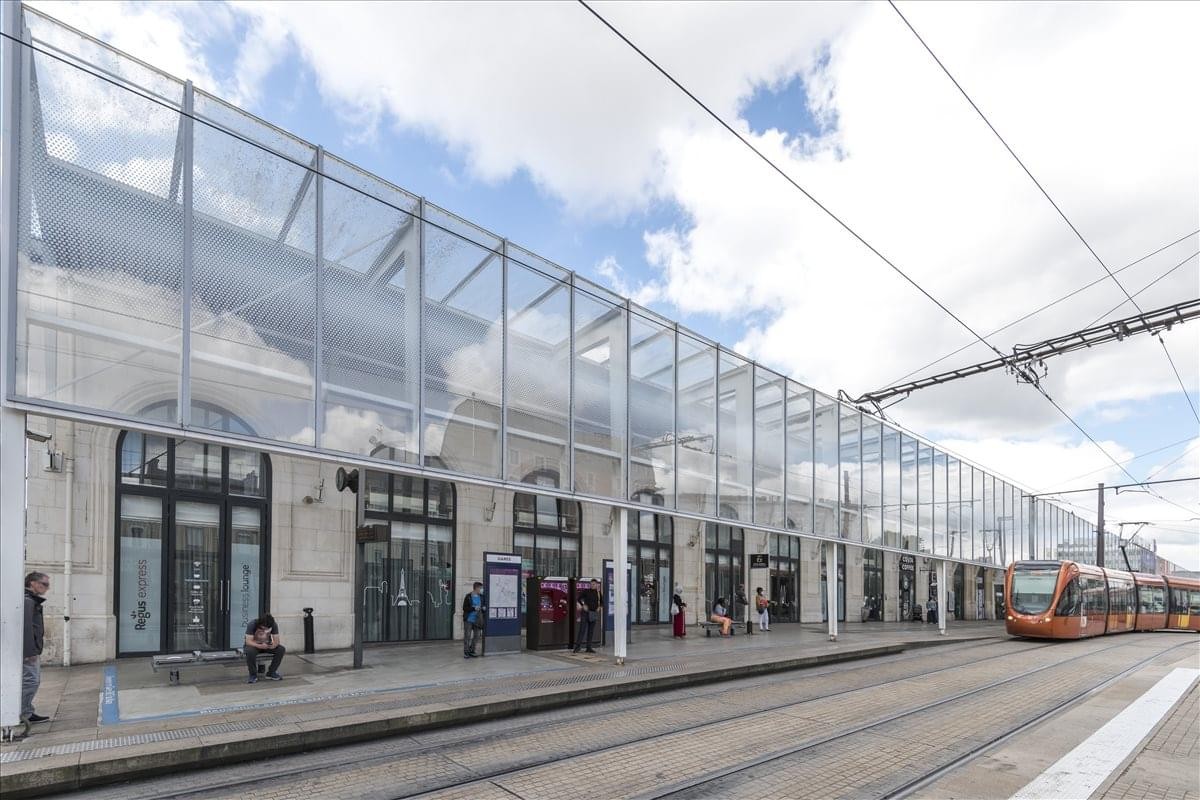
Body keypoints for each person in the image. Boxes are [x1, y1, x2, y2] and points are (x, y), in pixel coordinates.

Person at [23, 572, 50, 724]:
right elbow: (26, 627)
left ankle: (25, 711)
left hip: (32, 649)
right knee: (31, 681)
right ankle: (23, 713)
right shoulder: (28, 601)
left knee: (31, 680)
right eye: (44, 584)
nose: (47, 588)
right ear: (33, 583)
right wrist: (29, 651)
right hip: (29, 651)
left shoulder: (31, 600)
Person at [244, 613, 284, 683]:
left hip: (266, 645)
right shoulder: (252, 624)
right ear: (260, 623)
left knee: (281, 649)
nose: (265, 630)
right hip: (254, 645)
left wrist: (272, 646)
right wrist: (259, 645)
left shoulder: (273, 624)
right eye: (263, 628)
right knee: (250, 651)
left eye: (267, 628)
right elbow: (248, 641)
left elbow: (277, 641)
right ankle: (253, 675)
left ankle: (271, 672)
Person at [574, 578, 601, 653]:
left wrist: (599, 607)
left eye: (594, 584)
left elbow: (601, 602)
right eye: (591, 584)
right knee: (582, 630)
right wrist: (583, 605)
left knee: (591, 631)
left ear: (596, 585)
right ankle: (577, 647)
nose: (592, 585)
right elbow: (579, 599)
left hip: (593, 613)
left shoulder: (598, 593)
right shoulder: (586, 591)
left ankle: (588, 647)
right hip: (585, 613)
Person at [462, 581, 486, 658]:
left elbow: (484, 606)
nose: (481, 589)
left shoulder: (482, 597)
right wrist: (473, 608)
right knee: (467, 636)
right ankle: (466, 652)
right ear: (476, 588)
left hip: (478, 620)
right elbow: (464, 608)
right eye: (481, 588)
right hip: (469, 619)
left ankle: (472, 650)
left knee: (476, 636)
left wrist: (483, 608)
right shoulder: (468, 596)